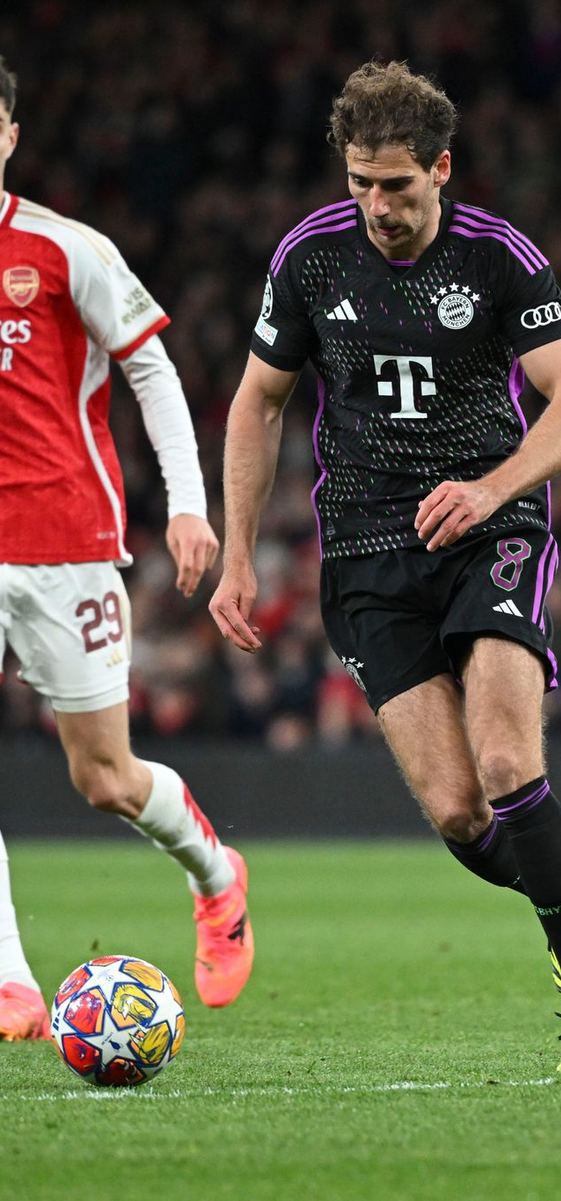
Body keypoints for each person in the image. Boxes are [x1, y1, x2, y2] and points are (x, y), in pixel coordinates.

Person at [209, 61, 561, 1071]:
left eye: (397, 184)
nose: (377, 206)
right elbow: (256, 403)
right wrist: (236, 555)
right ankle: (559, 897)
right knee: (458, 811)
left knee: (503, 763)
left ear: (441, 169)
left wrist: (493, 488)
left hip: (490, 532)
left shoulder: (499, 259)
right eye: (359, 181)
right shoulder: (310, 259)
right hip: (362, 546)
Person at [0, 57, 253, 1041]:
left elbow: (150, 368)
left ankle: (216, 875)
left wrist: (188, 506)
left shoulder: (66, 250)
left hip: (65, 538)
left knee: (103, 777)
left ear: (12, 135)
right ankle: (13, 983)